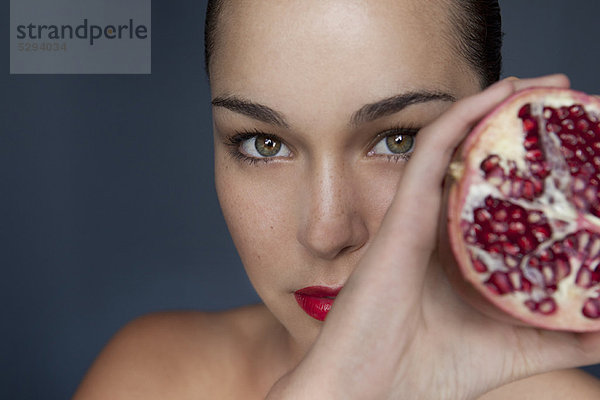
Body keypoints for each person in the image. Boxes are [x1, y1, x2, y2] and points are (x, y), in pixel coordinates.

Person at [73, 1, 600, 398]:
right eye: (264, 144)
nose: (326, 232)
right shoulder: (152, 377)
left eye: (399, 141)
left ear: (493, 129)